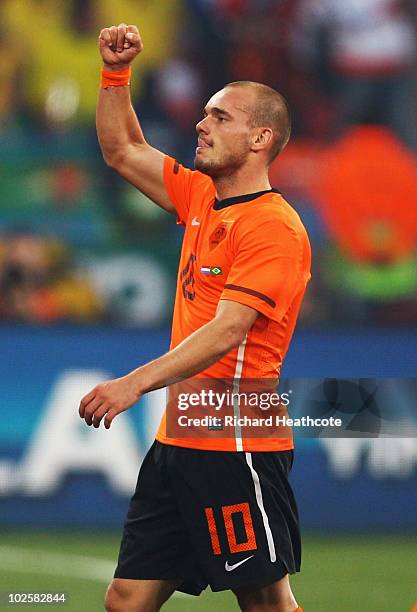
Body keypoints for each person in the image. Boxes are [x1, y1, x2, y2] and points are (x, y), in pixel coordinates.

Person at [79, 23, 311, 612]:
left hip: (235, 440)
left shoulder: (274, 228)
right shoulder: (203, 197)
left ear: (261, 138)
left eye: (219, 117)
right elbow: (122, 150)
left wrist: (133, 382)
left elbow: (230, 328)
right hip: (180, 436)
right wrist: (115, 73)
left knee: (265, 603)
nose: (201, 125)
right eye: (204, 114)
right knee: (126, 599)